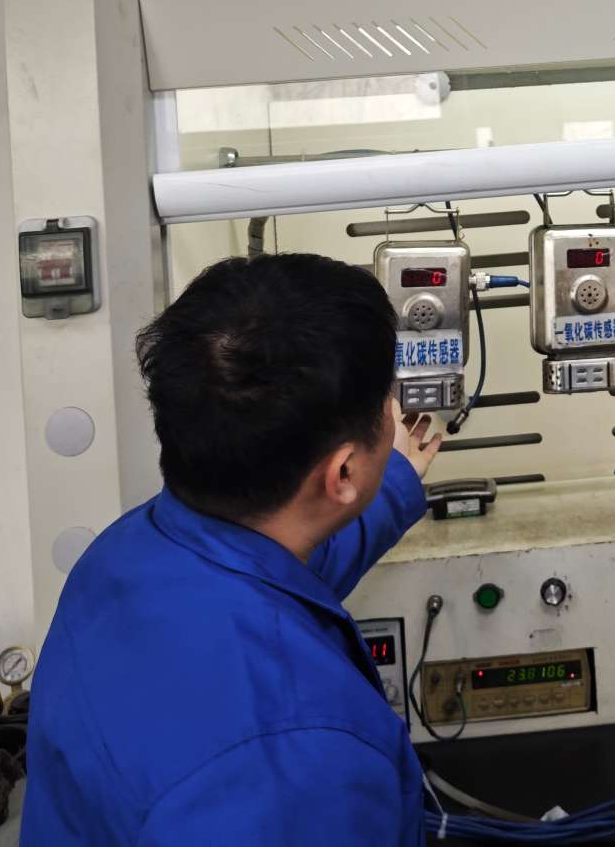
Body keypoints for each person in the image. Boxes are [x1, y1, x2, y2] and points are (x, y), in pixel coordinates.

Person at [23, 253, 442, 845]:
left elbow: (283, 563)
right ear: (343, 471)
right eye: (386, 401)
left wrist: (391, 481)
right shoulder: (301, 765)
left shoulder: (126, 555)